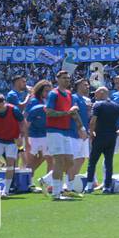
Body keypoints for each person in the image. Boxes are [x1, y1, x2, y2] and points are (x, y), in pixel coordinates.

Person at [45, 70, 87, 200]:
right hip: (54, 131)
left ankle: (49, 181)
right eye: (64, 78)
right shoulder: (54, 94)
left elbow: (73, 112)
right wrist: (66, 113)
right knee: (59, 161)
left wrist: (81, 127)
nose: (66, 80)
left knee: (69, 161)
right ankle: (57, 193)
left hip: (66, 131)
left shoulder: (69, 94)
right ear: (57, 79)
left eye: (68, 78)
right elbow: (49, 112)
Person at [86, 86, 119, 193]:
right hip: (112, 136)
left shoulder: (98, 105)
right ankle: (107, 187)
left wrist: (92, 132)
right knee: (108, 162)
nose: (95, 96)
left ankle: (89, 186)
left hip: (99, 135)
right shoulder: (116, 106)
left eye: (96, 93)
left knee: (92, 161)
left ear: (102, 93)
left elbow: (93, 121)